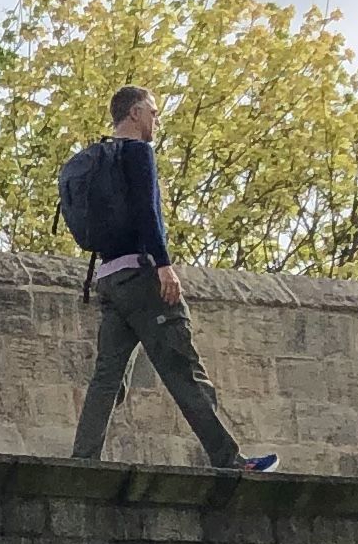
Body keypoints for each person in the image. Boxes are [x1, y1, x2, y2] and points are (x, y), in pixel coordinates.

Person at [68, 88, 279, 474]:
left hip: (109, 279)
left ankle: (82, 460)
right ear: (134, 113)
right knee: (183, 366)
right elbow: (148, 212)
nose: (156, 121)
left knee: (107, 377)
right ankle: (230, 460)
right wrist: (163, 265)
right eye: (153, 112)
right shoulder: (136, 153)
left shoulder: (101, 159)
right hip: (143, 276)